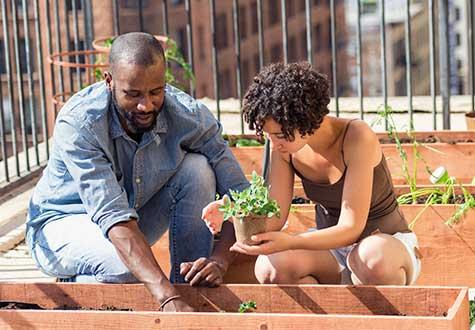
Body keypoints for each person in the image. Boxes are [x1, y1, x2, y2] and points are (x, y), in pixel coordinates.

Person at [26, 32, 248, 312]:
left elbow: (242, 195)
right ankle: (83, 284)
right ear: (109, 82)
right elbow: (113, 218)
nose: (146, 105)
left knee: (198, 168)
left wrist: (219, 261)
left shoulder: (187, 115)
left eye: (155, 92)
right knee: (125, 265)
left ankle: (192, 290)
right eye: (133, 94)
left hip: (130, 220)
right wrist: (167, 299)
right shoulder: (80, 123)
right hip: (61, 224)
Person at [203, 62, 421, 286]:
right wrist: (234, 213)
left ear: (305, 120)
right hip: (330, 250)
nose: (273, 143)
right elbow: (275, 218)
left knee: (371, 257)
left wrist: (290, 241)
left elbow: (351, 227)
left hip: (385, 247)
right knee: (270, 267)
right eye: (268, 135)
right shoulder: (283, 146)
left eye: (279, 135)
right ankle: (327, 317)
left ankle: (382, 316)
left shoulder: (356, 136)